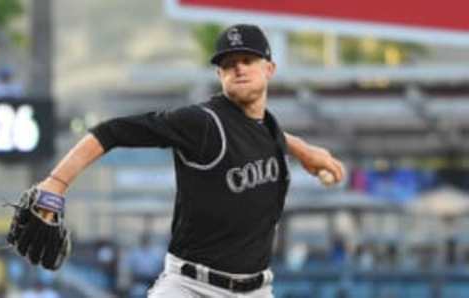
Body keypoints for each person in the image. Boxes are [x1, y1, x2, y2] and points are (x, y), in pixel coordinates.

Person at [35, 24, 344, 297]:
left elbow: (268, 135)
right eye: (228, 63)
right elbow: (112, 131)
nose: (238, 69)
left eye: (247, 60)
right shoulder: (202, 123)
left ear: (269, 69)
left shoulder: (268, 127)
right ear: (219, 74)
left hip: (257, 290)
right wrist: (57, 182)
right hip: (192, 288)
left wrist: (305, 150)